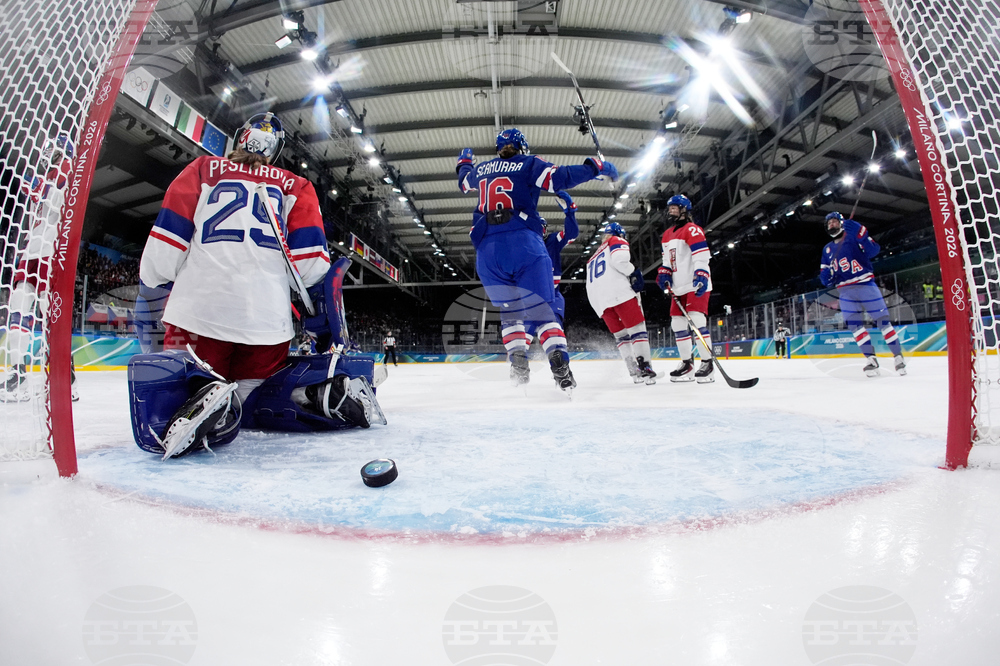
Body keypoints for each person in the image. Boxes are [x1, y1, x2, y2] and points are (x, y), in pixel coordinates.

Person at [132, 112, 382, 459]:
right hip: (267, 324)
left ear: (240, 138)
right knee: (250, 406)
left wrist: (151, 285)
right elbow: (311, 268)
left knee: (186, 391)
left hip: (198, 314)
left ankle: (205, 398)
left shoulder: (203, 169)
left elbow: (166, 245)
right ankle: (314, 395)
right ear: (276, 151)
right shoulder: (297, 186)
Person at [457, 128, 618, 391]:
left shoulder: (483, 168)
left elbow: (464, 182)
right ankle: (560, 365)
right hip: (522, 243)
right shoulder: (528, 163)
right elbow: (560, 178)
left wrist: (464, 163)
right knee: (544, 313)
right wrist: (596, 167)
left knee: (510, 314)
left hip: (487, 250)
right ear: (522, 146)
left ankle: (518, 364)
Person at [1, 133, 79, 402]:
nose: (46, 151)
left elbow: (59, 201)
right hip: (31, 249)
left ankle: (67, 379)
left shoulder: (67, 168)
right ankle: (17, 373)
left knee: (51, 319)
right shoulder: (43, 172)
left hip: (51, 252)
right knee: (17, 309)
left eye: (52, 147)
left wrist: (40, 187)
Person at [820, 211, 906, 377]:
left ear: (841, 222)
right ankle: (871, 360)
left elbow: (874, 251)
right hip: (844, 291)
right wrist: (826, 278)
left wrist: (862, 235)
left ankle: (898, 357)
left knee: (882, 321)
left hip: (865, 284)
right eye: (828, 222)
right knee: (855, 327)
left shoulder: (853, 237)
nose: (831, 224)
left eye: (834, 221)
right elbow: (825, 274)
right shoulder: (827, 249)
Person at [585, 222, 657, 384]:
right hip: (619, 293)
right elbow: (620, 261)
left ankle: (633, 371)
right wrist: (633, 273)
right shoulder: (616, 241)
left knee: (622, 336)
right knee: (638, 331)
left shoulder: (592, 258)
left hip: (600, 301)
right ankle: (645, 368)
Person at [656, 194, 714, 383]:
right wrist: (664, 272)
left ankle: (707, 363)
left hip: (694, 283)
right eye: (670, 207)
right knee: (677, 324)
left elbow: (701, 255)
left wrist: (702, 274)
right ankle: (687, 365)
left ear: (684, 210)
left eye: (675, 207)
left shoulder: (693, 230)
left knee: (697, 321)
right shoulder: (667, 234)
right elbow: (667, 261)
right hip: (678, 286)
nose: (671, 210)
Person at [544, 191, 580, 324]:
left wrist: (570, 213)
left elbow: (572, 234)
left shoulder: (552, 240)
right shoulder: (524, 243)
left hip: (552, 295)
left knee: (555, 331)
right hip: (530, 296)